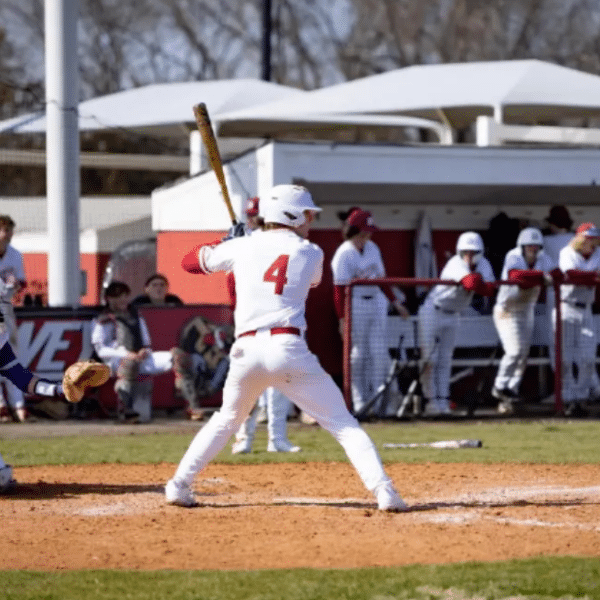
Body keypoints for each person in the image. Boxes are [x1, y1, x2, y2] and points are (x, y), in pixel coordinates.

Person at [165, 184, 406, 512]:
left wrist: (227, 245)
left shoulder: (245, 247)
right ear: (290, 214)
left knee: (226, 420)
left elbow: (189, 263)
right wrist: (238, 244)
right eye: (307, 213)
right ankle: (385, 492)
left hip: (246, 351)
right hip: (287, 346)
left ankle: (178, 485)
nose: (310, 220)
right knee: (343, 423)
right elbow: (308, 282)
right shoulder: (310, 251)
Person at [228, 196, 301, 453]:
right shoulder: (245, 245)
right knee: (248, 386)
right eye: (251, 215)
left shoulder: (277, 242)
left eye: (257, 215)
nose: (254, 219)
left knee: (279, 383)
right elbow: (232, 285)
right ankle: (244, 439)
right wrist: (231, 246)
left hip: (278, 318)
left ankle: (277, 438)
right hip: (250, 322)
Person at [330, 208, 409, 417]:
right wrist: (341, 319)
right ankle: (358, 401)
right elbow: (338, 290)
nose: (367, 236)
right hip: (355, 303)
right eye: (363, 232)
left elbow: (382, 280)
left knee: (378, 353)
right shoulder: (344, 253)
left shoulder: (373, 248)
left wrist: (395, 302)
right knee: (358, 354)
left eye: (368, 232)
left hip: (377, 302)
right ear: (353, 231)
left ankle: (377, 403)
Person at [418, 231, 496, 416]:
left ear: (480, 252)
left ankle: (443, 401)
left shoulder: (483, 263)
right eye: (465, 253)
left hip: (453, 314)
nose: (468, 257)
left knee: (445, 359)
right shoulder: (455, 263)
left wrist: (478, 282)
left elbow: (489, 290)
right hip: (433, 311)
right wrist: (478, 280)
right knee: (430, 360)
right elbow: (470, 283)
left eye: (473, 252)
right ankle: (431, 402)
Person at [91, 281, 177, 423]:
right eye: (117, 296)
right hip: (114, 362)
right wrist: (126, 354)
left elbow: (147, 342)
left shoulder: (136, 316)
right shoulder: (101, 319)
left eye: (125, 296)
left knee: (178, 356)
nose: (122, 300)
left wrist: (145, 351)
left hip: (139, 358)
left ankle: (192, 407)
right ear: (108, 299)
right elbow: (101, 351)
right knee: (129, 364)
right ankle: (125, 411)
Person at [491, 227, 555, 414]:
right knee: (515, 351)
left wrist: (552, 275)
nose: (532, 249)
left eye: (536, 246)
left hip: (527, 308)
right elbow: (515, 275)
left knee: (523, 355)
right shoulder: (514, 256)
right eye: (529, 246)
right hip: (507, 309)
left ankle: (511, 391)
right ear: (522, 246)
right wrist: (542, 277)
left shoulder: (543, 258)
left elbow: (557, 273)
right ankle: (500, 385)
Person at [555, 223, 600, 416]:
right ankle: (568, 399)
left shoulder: (598, 253)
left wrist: (590, 278)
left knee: (588, 358)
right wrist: (593, 277)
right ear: (580, 238)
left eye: (594, 238)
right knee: (566, 358)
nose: (592, 242)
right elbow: (571, 275)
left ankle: (580, 398)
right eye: (588, 238)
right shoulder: (567, 252)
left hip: (587, 309)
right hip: (567, 307)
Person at [0, 215, 29, 423]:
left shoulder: (15, 255)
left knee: (13, 357)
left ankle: (19, 405)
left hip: (6, 308)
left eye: (9, 229)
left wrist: (15, 286)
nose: (7, 233)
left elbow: (22, 282)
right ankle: (2, 406)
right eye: (3, 229)